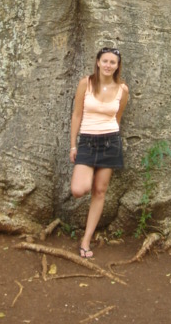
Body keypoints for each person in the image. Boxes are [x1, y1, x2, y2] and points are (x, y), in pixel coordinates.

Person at [70, 47, 129, 258]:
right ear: (97, 62)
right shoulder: (86, 83)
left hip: (110, 142)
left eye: (112, 62)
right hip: (86, 141)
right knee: (79, 189)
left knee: (100, 191)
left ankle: (86, 240)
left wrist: (112, 140)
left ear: (117, 66)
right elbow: (77, 114)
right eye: (105, 61)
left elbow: (118, 118)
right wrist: (73, 145)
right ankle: (85, 237)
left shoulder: (123, 89)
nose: (108, 65)